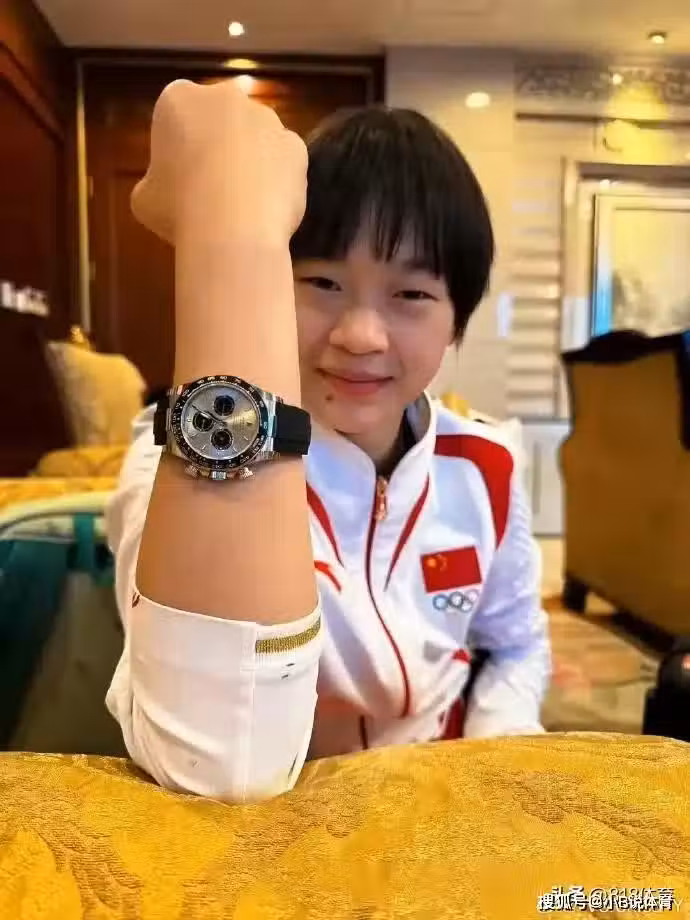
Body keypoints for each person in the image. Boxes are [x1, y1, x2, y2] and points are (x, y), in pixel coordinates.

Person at [106, 79, 551, 803]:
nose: (362, 335)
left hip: (447, 802)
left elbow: (516, 642)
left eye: (411, 295)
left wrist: (495, 766)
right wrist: (227, 221)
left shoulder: (487, 464)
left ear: (457, 321)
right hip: (286, 819)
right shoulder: (176, 464)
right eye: (321, 282)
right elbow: (218, 763)